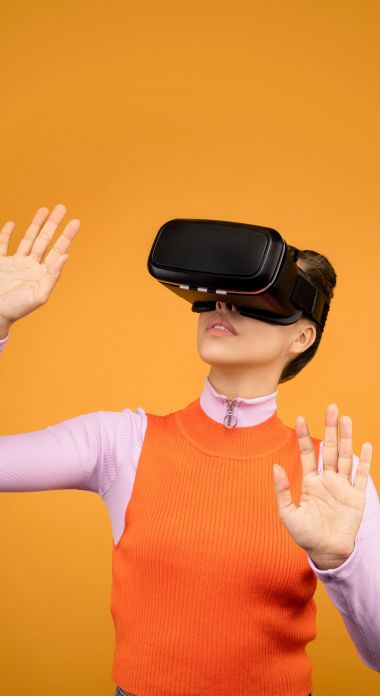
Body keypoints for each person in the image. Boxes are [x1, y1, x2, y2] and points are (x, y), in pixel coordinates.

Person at [0, 204, 379, 696]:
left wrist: (338, 560)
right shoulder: (120, 443)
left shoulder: (333, 480)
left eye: (255, 296)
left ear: (302, 336)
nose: (223, 305)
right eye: (217, 293)